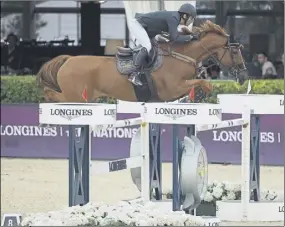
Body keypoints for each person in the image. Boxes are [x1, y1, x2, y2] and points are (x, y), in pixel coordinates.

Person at [127, 3, 197, 85]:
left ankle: (145, 73)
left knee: (155, 47)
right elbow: (174, 38)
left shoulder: (174, 18)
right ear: (185, 16)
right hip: (138, 25)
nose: (191, 21)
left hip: (145, 29)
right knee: (147, 46)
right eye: (191, 18)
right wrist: (190, 38)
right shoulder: (174, 18)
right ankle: (133, 74)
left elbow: (171, 35)